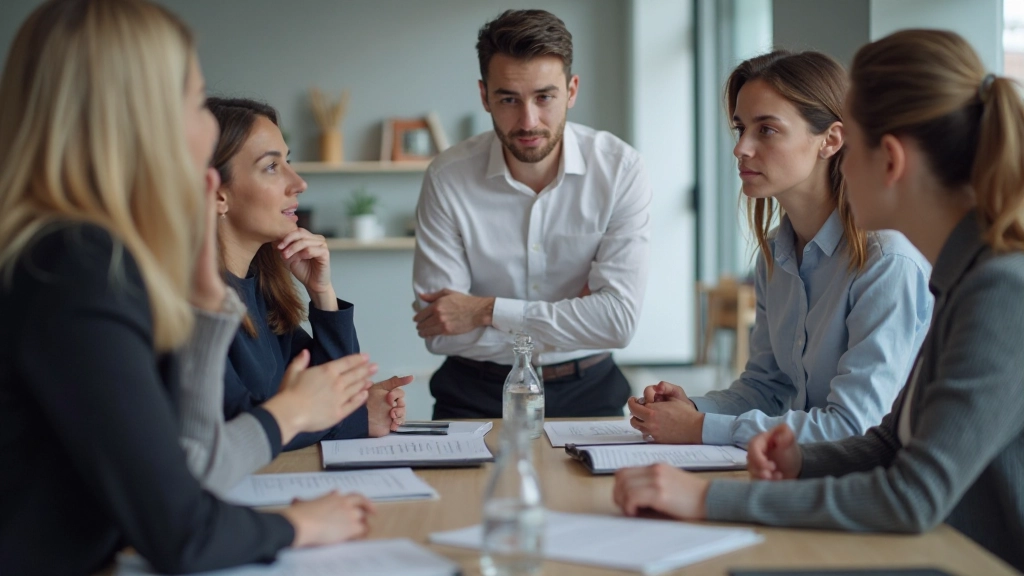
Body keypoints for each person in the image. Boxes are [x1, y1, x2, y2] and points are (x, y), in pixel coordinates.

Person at [612, 29, 1024, 572]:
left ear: (890, 160)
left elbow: (911, 495)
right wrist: (801, 455)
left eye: (850, 142)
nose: (842, 162)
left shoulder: (997, 289)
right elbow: (889, 442)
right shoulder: (965, 275)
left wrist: (704, 498)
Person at [0, 1, 374, 573]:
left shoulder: (75, 253)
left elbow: (186, 469)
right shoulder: (75, 268)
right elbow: (181, 533)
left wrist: (206, 303)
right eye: (193, 101)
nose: (206, 126)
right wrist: (301, 522)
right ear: (138, 115)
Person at [628, 50, 932, 447]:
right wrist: (693, 409)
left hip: (875, 491)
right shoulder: (775, 255)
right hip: (807, 474)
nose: (741, 148)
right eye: (740, 129)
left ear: (831, 140)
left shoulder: (886, 261)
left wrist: (700, 429)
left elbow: (856, 426)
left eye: (766, 130)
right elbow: (766, 388)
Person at [412, 9, 652, 419]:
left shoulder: (620, 170)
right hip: (473, 393)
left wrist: (484, 310)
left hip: (589, 391)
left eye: (545, 97)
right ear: (484, 95)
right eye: (508, 98)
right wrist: (571, 322)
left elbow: (617, 322)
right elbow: (443, 333)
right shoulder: (447, 177)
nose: (528, 121)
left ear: (571, 91)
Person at [209, 97, 410, 452]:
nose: (299, 183)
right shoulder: (193, 305)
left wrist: (322, 292)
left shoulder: (260, 288)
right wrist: (357, 419)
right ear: (218, 193)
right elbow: (236, 424)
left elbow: (334, 388)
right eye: (271, 167)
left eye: (289, 161)